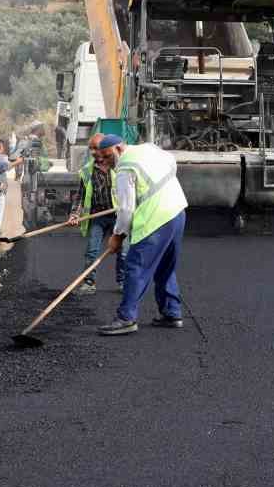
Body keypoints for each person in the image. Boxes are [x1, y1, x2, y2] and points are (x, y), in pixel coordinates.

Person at [94, 135, 188, 335]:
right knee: (165, 266)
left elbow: (126, 210)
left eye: (108, 156)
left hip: (155, 219)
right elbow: (171, 162)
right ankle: (172, 312)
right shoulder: (148, 149)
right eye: (102, 158)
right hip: (177, 210)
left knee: (135, 267)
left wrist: (118, 236)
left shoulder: (124, 168)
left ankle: (126, 318)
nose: (106, 161)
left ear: (119, 149)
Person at [67, 132, 126, 294]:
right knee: (92, 251)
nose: (93, 151)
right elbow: (80, 195)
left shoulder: (120, 166)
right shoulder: (87, 171)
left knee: (123, 251)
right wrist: (75, 214)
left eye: (96, 147)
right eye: (91, 148)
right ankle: (89, 283)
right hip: (97, 217)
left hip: (118, 216)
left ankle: (123, 283)